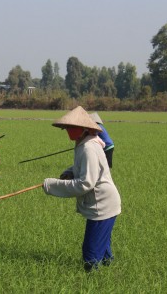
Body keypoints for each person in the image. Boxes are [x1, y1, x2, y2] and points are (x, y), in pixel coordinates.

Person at [42, 106, 121, 272]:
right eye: (67, 128)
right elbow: (86, 167)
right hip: (104, 203)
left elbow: (85, 183)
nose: (68, 131)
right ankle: (109, 277)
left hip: (102, 205)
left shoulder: (88, 148)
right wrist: (69, 172)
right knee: (103, 251)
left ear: (82, 128)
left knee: (90, 255)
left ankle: (94, 282)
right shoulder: (84, 143)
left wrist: (52, 185)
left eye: (71, 128)